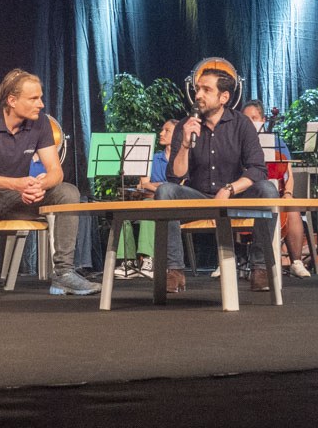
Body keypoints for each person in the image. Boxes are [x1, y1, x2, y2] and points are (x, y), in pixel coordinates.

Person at [0, 69, 94, 300]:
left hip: (17, 199)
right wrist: (16, 184)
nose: (41, 104)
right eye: (34, 98)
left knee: (68, 192)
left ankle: (64, 272)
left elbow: (56, 171)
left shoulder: (41, 123)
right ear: (12, 100)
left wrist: (41, 185)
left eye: (40, 97)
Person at [154, 69, 278, 294]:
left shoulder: (241, 124)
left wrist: (230, 189)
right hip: (199, 197)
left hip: (234, 196)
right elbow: (175, 176)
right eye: (197, 89)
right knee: (165, 192)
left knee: (268, 190)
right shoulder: (186, 125)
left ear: (224, 97)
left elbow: (258, 169)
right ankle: (174, 270)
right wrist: (184, 144)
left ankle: (260, 268)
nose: (198, 95)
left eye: (206, 90)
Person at [242, 100, 311, 278]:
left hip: (276, 192)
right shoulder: (238, 143)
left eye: (254, 118)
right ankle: (230, 260)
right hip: (249, 193)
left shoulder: (277, 143)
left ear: (263, 120)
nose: (250, 123)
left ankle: (296, 262)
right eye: (246, 119)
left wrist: (287, 193)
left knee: (291, 207)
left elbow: (288, 173)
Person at [114, 118, 177, 279]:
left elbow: (181, 185)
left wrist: (157, 186)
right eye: (162, 130)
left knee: (150, 205)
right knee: (123, 212)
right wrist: (164, 186)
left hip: (173, 206)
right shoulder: (153, 158)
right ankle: (128, 261)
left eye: (167, 131)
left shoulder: (183, 159)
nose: (161, 133)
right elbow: (143, 183)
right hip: (151, 200)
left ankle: (150, 258)